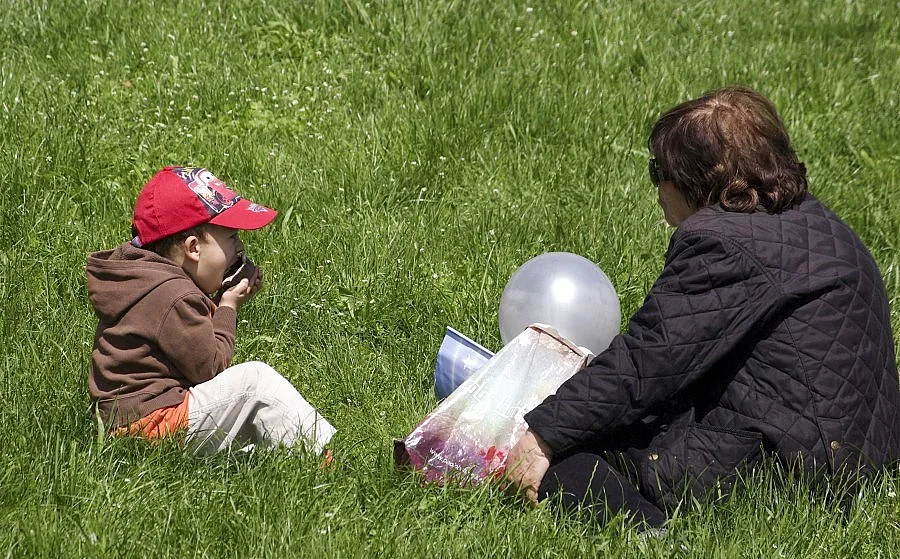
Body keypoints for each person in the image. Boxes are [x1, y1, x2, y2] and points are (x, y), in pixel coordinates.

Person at [505, 86, 900, 528]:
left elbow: (646, 363)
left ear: (702, 176)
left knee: (569, 465)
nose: (656, 183)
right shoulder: (820, 225)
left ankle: (655, 539)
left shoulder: (722, 244)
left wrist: (541, 434)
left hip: (792, 474)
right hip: (858, 455)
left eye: (660, 168)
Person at [86, 166, 336, 456]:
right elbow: (211, 369)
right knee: (255, 383)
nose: (240, 246)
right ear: (193, 248)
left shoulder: (145, 279)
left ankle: (280, 455)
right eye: (231, 238)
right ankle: (323, 461)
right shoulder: (174, 295)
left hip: (129, 424)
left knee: (254, 443)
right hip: (155, 426)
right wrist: (228, 305)